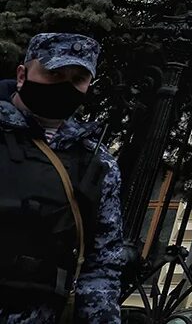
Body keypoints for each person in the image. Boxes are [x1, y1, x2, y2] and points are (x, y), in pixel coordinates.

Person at [0, 33, 123, 323]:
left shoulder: (98, 162)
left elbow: (102, 264)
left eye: (77, 78)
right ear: (22, 74)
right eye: (53, 74)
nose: (64, 86)